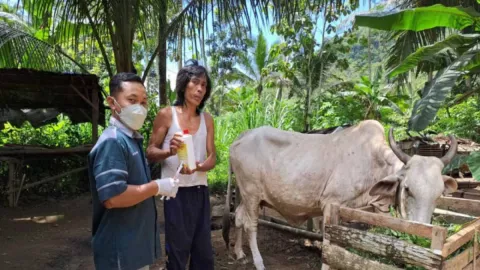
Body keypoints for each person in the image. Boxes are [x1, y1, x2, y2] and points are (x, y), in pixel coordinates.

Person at [87, 72, 180, 270]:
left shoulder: (130, 139)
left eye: (143, 102)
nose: (140, 108)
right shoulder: (113, 141)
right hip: (120, 251)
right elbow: (113, 197)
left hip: (132, 250)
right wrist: (156, 187)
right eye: (132, 100)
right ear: (112, 103)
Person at [146, 59, 216, 270]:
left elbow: (212, 157)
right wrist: (170, 151)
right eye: (196, 82)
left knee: (203, 252)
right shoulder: (167, 115)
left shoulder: (207, 119)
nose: (200, 89)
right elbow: (150, 152)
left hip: (199, 191)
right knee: (177, 251)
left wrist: (199, 166)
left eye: (204, 85)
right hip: (175, 192)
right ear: (184, 84)